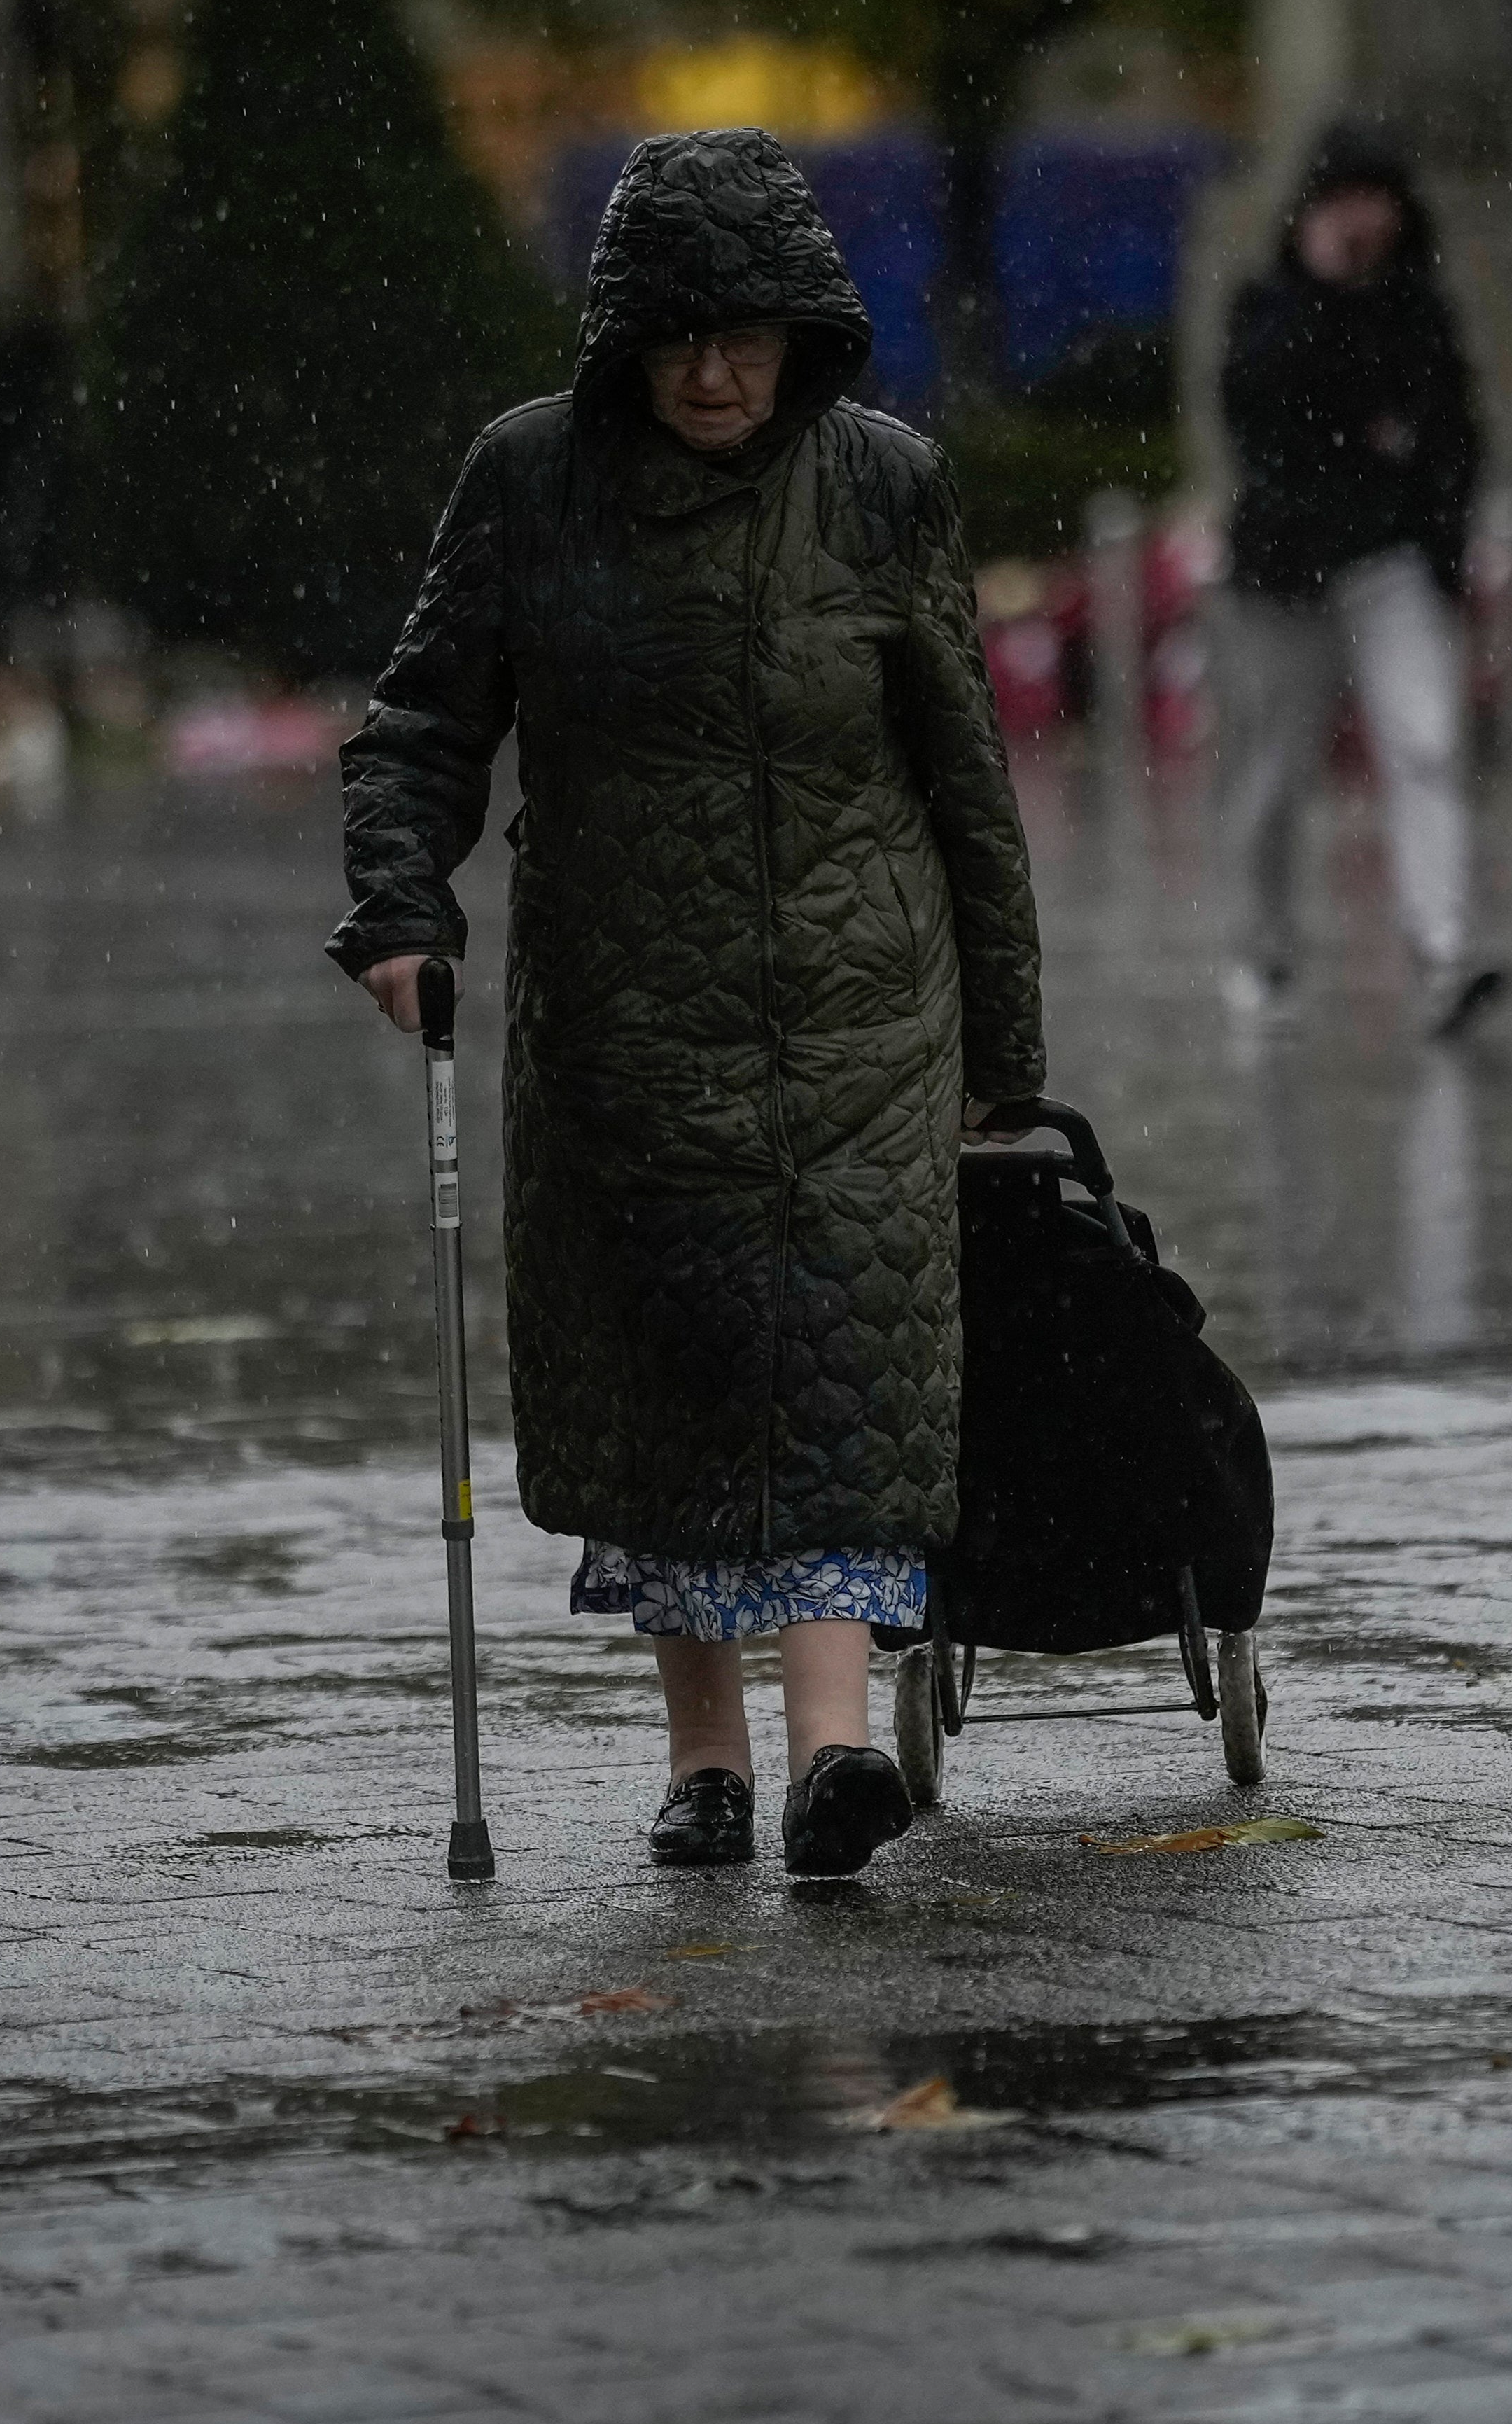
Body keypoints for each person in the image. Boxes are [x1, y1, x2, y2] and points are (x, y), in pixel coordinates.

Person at [331, 128, 1044, 1880]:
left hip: (860, 1029)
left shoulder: (886, 487)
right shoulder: (529, 480)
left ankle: (831, 1752)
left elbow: (968, 778)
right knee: (666, 1390)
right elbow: (423, 719)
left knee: (839, 1374)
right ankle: (704, 1755)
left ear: (806, 330)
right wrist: (398, 909)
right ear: (625, 338)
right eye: (680, 336)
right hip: (620, 1032)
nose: (717, 372)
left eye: (749, 334)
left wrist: (1005, 1052)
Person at [1215, 123, 1503, 1040]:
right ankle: (1262, 946)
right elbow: (1262, 416)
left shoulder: (1419, 312)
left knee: (1425, 747)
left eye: (1374, 201)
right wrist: (1319, 295)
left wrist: (1439, 542)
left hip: (1390, 566)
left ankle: (1444, 950)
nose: (1360, 222)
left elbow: (1449, 437)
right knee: (1276, 773)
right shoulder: (1269, 306)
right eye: (1343, 202)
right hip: (1286, 582)